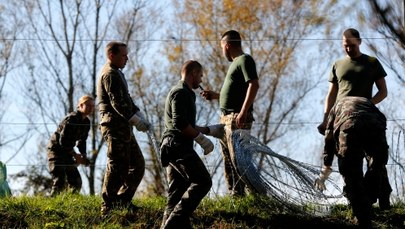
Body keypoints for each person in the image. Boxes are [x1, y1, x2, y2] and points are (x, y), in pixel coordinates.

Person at [317, 28, 392, 210]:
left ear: (359, 41)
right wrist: (326, 118)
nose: (348, 49)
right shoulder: (337, 65)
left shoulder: (372, 62)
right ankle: (355, 202)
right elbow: (331, 94)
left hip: (368, 117)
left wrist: (368, 104)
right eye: (345, 46)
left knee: (377, 160)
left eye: (351, 45)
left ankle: (383, 202)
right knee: (348, 159)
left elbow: (383, 91)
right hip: (342, 117)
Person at [159, 60, 224, 228]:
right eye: (200, 75)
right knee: (203, 182)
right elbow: (180, 123)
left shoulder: (186, 93)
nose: (201, 81)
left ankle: (169, 224)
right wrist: (201, 140)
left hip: (173, 146)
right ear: (193, 73)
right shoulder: (181, 92)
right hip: (177, 145)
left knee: (176, 194)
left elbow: (188, 125)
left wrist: (209, 130)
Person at [315, 96, 389, 228]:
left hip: (349, 126)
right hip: (376, 126)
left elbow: (329, 137)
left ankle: (362, 217)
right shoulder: (366, 101)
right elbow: (382, 119)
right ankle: (369, 200)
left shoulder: (336, 106)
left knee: (351, 175)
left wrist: (327, 165)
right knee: (377, 165)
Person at [200, 30, 259, 196]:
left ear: (227, 45)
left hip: (237, 118)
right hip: (227, 118)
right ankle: (236, 197)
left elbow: (253, 85)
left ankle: (257, 195)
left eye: (222, 48)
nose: (222, 51)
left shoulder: (244, 60)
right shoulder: (235, 63)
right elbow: (235, 94)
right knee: (229, 162)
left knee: (240, 160)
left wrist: (243, 112)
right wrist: (216, 96)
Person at [97, 41, 151, 216]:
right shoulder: (109, 74)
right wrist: (135, 120)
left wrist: (138, 114)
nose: (127, 58)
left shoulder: (117, 73)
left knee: (137, 164)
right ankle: (107, 206)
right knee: (117, 165)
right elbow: (117, 103)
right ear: (111, 55)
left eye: (127, 55)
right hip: (114, 126)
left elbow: (126, 99)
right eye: (123, 55)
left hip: (124, 126)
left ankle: (122, 202)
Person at [46, 95, 94, 196]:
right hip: (56, 150)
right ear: (80, 105)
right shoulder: (72, 119)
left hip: (68, 152)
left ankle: (70, 204)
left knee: (76, 183)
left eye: (92, 106)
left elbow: (82, 141)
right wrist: (75, 155)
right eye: (88, 105)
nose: (91, 108)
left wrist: (83, 156)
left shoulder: (86, 122)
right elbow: (63, 141)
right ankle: (51, 206)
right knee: (60, 181)